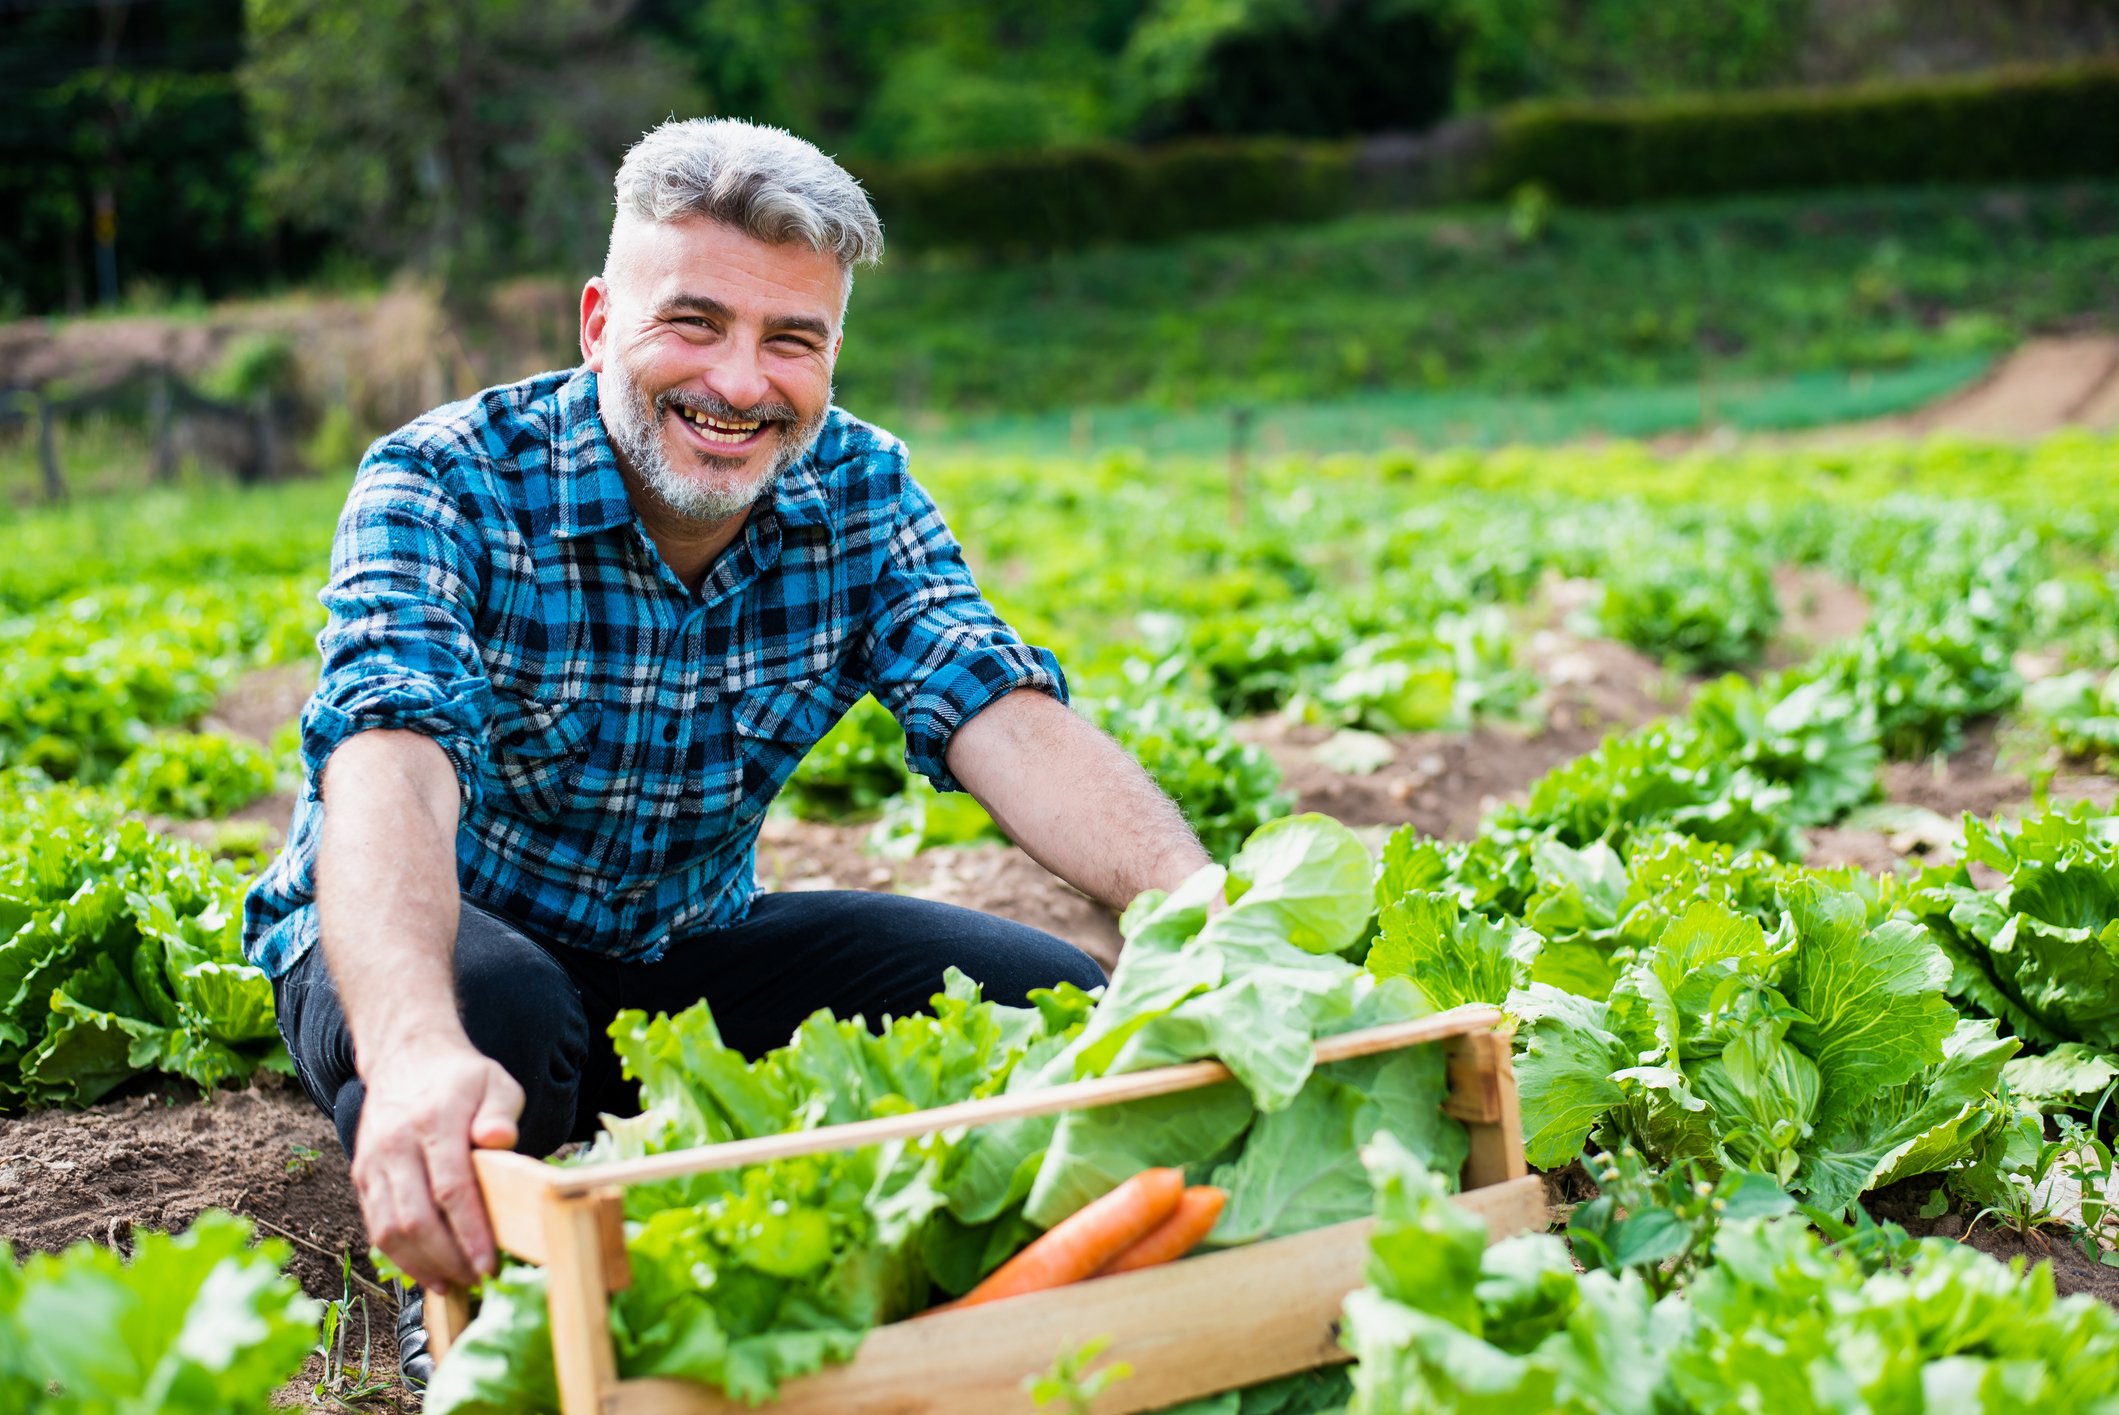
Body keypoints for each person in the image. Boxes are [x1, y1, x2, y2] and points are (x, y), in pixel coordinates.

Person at [241, 118, 1211, 1384]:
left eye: (791, 340)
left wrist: (1205, 912)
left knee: (1047, 997)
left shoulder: (858, 490)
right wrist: (414, 1040)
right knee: (505, 1012)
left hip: (676, 954)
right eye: (693, 323)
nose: (742, 383)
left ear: (830, 355)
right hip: (433, 944)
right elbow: (388, 753)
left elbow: (1000, 711)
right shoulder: (441, 480)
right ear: (598, 321)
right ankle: (481, 1336)